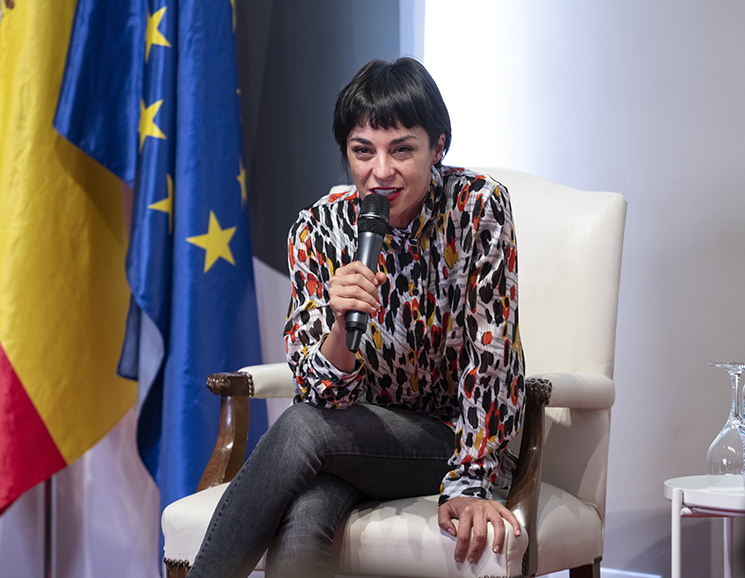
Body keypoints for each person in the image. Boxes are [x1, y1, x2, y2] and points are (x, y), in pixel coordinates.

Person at [187, 58, 525, 578]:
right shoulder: (318, 227)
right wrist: (342, 328)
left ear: (438, 147)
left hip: (449, 441)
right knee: (307, 510)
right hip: (351, 436)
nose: (380, 171)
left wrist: (471, 482)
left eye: (402, 150)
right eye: (363, 151)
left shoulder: (478, 209)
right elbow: (321, 393)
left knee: (303, 427)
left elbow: (492, 357)